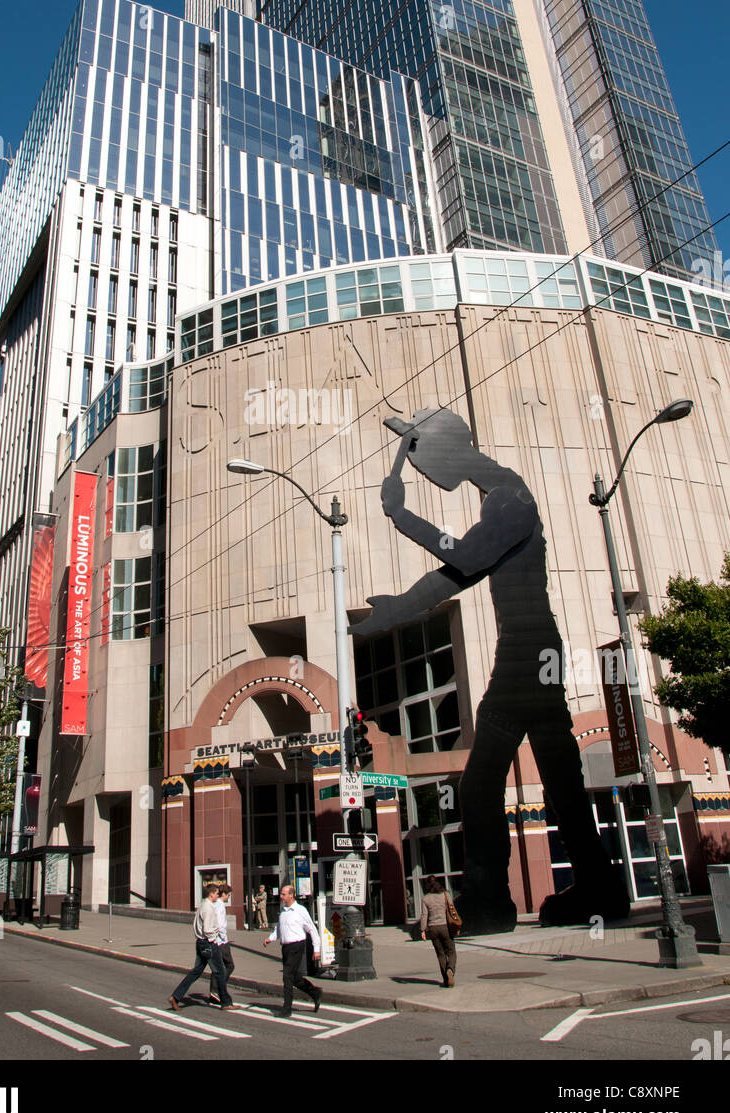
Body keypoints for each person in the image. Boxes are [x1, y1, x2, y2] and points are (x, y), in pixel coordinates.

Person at [352, 408, 630, 935]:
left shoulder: (510, 495)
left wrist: (403, 518)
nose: (421, 469)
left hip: (528, 649)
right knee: (561, 776)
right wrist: (394, 612)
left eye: (420, 456)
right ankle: (599, 887)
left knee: (481, 783)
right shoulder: (500, 495)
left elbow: (468, 557)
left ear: (443, 448)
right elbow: (453, 576)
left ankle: (488, 900)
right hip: (535, 648)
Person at [169, 885, 232, 1011]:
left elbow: (196, 924)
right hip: (208, 943)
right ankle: (225, 1002)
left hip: (200, 942)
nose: (218, 896)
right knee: (220, 971)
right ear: (211, 894)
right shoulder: (208, 908)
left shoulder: (202, 906)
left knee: (196, 972)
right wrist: (213, 939)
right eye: (216, 893)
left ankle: (176, 997)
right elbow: (208, 929)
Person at [264, 884, 322, 1018]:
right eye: (281, 894)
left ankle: (287, 1008)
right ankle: (315, 992)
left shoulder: (300, 910)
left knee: (287, 976)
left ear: (291, 895)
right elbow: (279, 928)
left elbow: (312, 929)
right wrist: (270, 938)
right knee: (293, 977)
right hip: (286, 947)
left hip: (297, 945)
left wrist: (316, 949)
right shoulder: (283, 911)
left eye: (284, 894)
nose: (281, 896)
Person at [420, 876, 457, 988]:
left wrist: (422, 930)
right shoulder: (445, 895)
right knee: (451, 951)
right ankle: (450, 969)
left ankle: (446, 980)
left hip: (433, 929)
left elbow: (424, 915)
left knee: (440, 954)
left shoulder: (426, 899)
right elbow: (452, 909)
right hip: (445, 926)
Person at [208, 884, 235, 1006]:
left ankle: (214, 992)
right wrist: (224, 938)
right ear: (223, 894)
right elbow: (220, 925)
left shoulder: (214, 904)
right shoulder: (220, 906)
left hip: (214, 941)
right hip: (221, 941)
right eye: (228, 895)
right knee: (229, 965)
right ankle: (218, 988)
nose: (229, 898)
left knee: (218, 967)